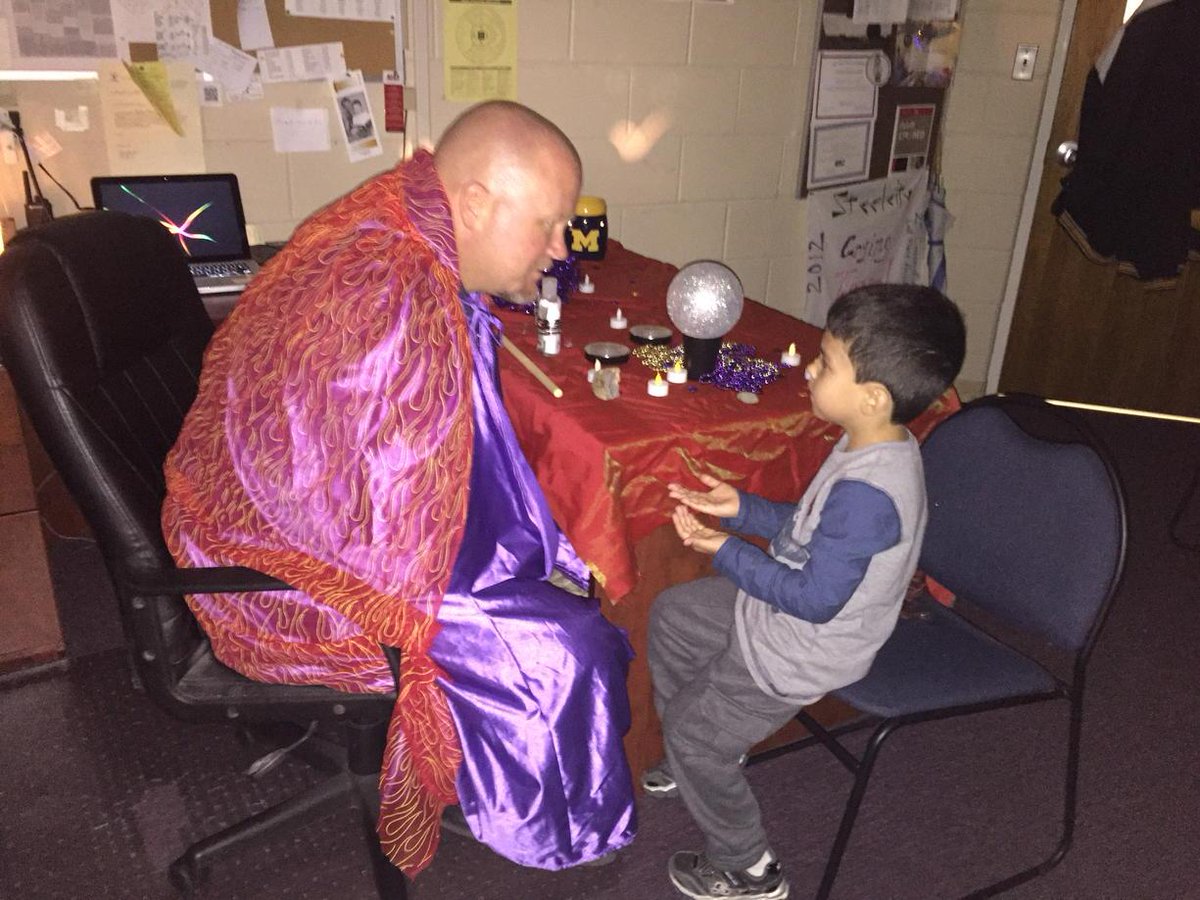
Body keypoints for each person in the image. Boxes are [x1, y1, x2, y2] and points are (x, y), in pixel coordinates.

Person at [161, 100, 636, 876]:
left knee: (548, 558)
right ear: (474, 203)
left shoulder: (403, 224)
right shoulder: (386, 295)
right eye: (548, 223)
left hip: (271, 515)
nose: (561, 247)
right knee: (562, 642)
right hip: (271, 571)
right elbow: (383, 540)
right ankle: (566, 831)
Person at [645, 284, 966, 900]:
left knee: (692, 735)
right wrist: (740, 509)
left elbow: (815, 600)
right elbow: (806, 530)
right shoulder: (868, 443)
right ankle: (703, 753)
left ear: (871, 397)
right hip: (779, 613)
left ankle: (748, 867)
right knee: (676, 615)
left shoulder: (873, 494)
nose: (811, 370)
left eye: (825, 362)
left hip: (800, 648)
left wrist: (726, 551)